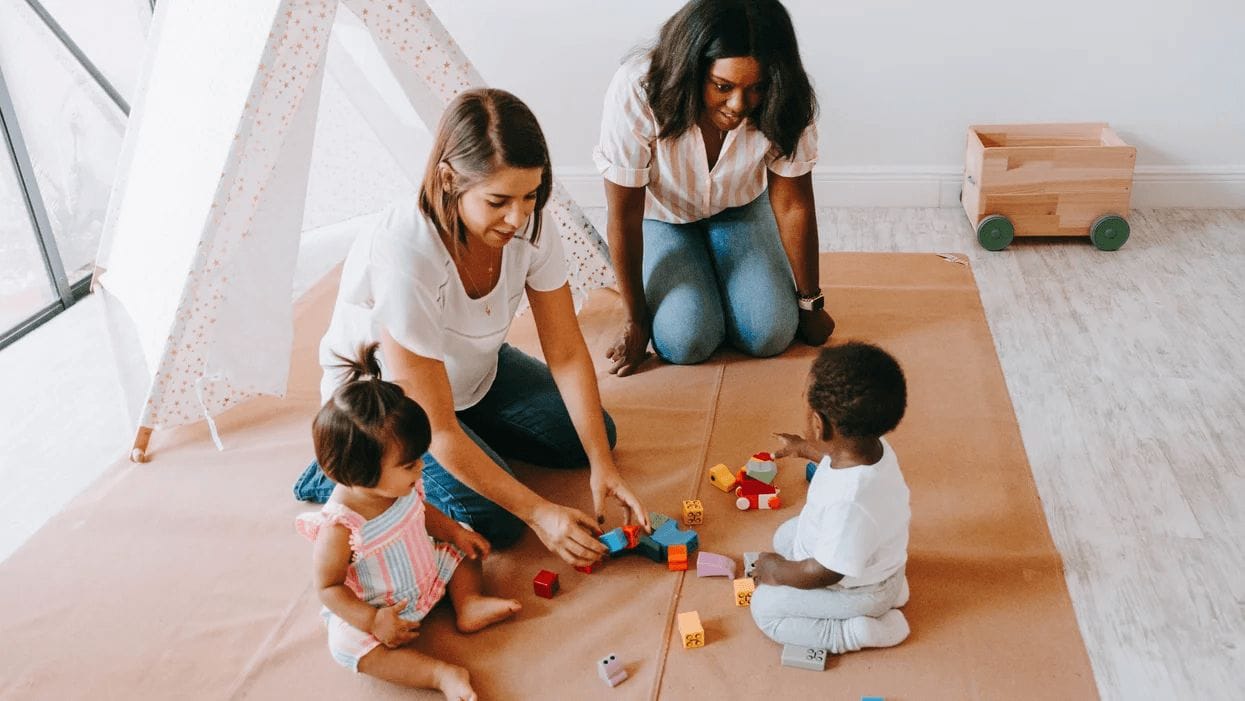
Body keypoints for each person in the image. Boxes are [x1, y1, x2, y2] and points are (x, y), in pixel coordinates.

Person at [293, 88, 647, 566]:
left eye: (530, 195)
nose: (518, 218)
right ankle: (339, 469)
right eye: (498, 200)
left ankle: (476, 435)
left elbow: (564, 351)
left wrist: (603, 465)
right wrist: (540, 513)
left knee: (593, 434)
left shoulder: (532, 225)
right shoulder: (406, 252)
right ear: (448, 179)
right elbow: (436, 428)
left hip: (471, 370)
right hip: (388, 404)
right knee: (498, 521)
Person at [593, 0, 835, 377]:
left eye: (757, 87)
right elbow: (623, 216)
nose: (738, 105)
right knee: (685, 341)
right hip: (663, 217)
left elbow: (793, 205)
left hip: (740, 209)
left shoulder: (787, 96)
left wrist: (810, 304)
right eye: (723, 86)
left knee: (771, 334)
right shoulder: (636, 88)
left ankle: (726, 283)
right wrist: (636, 320)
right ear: (691, 70)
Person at [295, 344, 519, 700]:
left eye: (419, 458)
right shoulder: (340, 527)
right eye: (409, 464)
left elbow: (423, 513)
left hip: (425, 569)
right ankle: (439, 674)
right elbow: (328, 587)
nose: (420, 469)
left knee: (466, 542)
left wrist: (455, 532)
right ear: (358, 476)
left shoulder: (404, 484)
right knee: (347, 647)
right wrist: (371, 620)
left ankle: (468, 603)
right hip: (384, 606)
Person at [749, 342, 912, 654]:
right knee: (784, 536)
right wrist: (805, 448)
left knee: (765, 607)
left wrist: (777, 572)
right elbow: (833, 455)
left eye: (804, 404)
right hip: (877, 564)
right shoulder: (870, 447)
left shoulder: (848, 502)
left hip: (856, 589)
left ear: (819, 424)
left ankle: (855, 630)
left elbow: (824, 571)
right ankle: (893, 591)